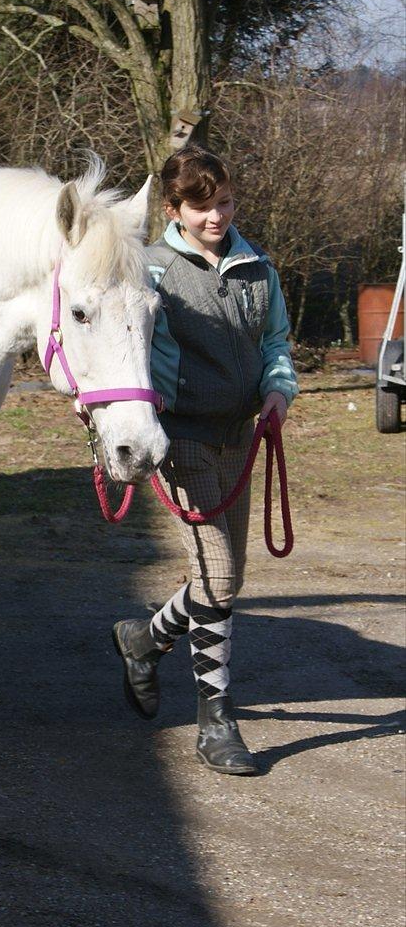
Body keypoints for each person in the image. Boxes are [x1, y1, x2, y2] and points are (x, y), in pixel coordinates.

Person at [112, 144, 298, 775]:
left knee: (222, 581)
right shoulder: (153, 270)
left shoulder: (257, 267)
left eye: (224, 201)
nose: (217, 215)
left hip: (240, 437)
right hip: (183, 436)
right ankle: (216, 723)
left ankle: (143, 639)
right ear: (174, 208)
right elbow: (140, 350)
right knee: (218, 580)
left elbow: (273, 339)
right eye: (201, 204)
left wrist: (278, 390)